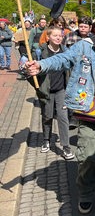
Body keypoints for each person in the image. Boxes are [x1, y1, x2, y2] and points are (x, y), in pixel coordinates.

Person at [25, 9, 95, 215]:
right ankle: (85, 193)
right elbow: (62, 59)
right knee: (87, 157)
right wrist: (40, 65)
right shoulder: (86, 46)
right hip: (89, 112)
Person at [29, 25, 74, 160]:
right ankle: (46, 139)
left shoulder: (66, 52)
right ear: (48, 37)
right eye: (55, 35)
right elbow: (31, 73)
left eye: (60, 35)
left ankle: (66, 147)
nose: (59, 38)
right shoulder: (40, 52)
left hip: (61, 90)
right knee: (47, 116)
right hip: (46, 91)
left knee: (63, 117)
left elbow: (70, 72)